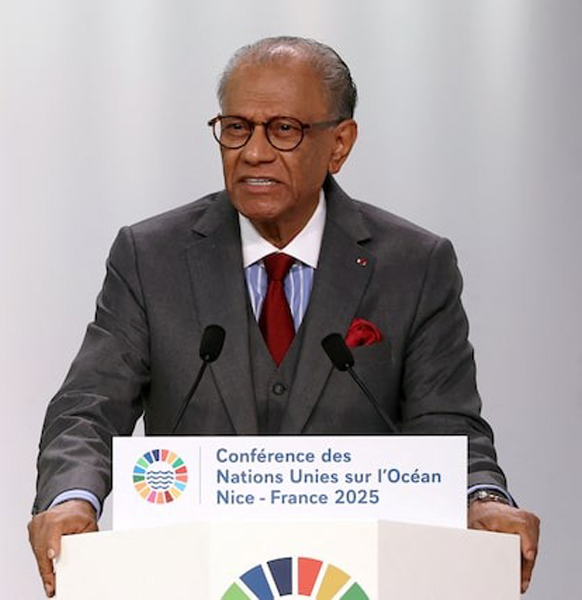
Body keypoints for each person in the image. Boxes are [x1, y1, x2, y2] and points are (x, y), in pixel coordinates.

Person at [27, 36, 540, 597]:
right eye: (237, 128)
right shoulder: (152, 256)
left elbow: (448, 426)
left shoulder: (413, 265)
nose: (254, 152)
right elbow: (89, 407)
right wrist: (72, 497)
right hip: (189, 574)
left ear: (339, 144)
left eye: (285, 130)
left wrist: (483, 498)